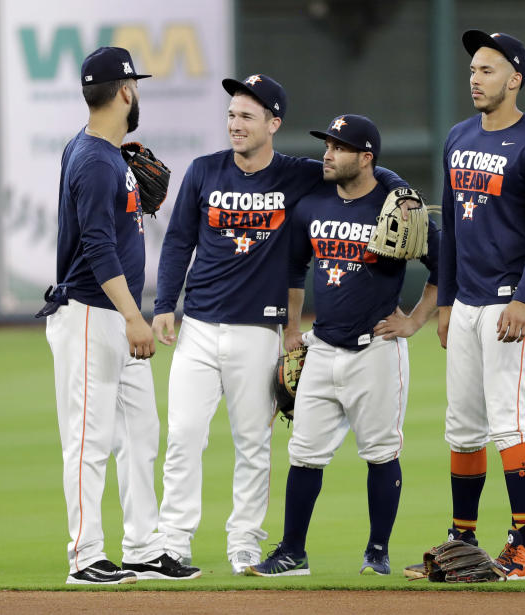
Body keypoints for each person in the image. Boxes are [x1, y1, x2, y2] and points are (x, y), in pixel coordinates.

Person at [152, 75, 411, 574]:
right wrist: (166, 304)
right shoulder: (205, 171)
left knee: (253, 441)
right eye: (231, 114)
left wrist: (403, 192)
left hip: (258, 330)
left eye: (247, 116)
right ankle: (172, 540)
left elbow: (364, 168)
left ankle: (245, 540)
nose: (235, 125)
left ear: (274, 123)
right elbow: (179, 241)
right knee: (184, 434)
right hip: (200, 327)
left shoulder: (299, 175)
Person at [245, 114, 439, 577]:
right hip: (322, 347)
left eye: (339, 147)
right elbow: (295, 268)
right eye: (327, 145)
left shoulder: (397, 207)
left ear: (365, 158)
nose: (328, 154)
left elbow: (443, 266)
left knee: (380, 452)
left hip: (376, 350)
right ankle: (292, 553)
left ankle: (377, 551)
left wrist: (413, 322)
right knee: (304, 455)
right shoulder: (312, 205)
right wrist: (293, 330)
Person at [41, 46, 200, 584]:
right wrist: (136, 316)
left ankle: (143, 547)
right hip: (92, 313)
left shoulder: (106, 154)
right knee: (88, 440)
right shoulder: (93, 160)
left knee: (140, 434)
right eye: (138, 86)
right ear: (126, 90)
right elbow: (99, 247)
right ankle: (85, 557)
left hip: (113, 316)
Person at [426, 30, 525, 580]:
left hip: (513, 301)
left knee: (508, 422)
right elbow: (451, 228)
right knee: (462, 427)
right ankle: (463, 542)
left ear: (515, 78)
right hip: (466, 304)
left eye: (487, 70)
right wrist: (445, 301)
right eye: (472, 71)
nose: (475, 79)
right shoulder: (458, 138)